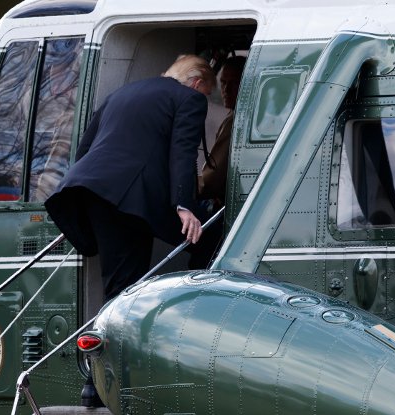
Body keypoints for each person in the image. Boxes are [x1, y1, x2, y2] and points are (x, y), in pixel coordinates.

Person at [45, 54, 216, 300]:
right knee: (213, 235)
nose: (204, 98)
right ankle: (197, 302)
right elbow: (183, 152)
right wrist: (184, 206)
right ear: (197, 83)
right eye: (207, 93)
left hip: (90, 190)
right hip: (130, 197)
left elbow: (85, 148)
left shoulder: (122, 93)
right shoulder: (189, 98)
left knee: (119, 280)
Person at [189, 55, 246, 269]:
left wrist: (182, 184)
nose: (227, 89)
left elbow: (212, 181)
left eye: (234, 83)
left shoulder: (238, 121)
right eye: (223, 83)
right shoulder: (235, 117)